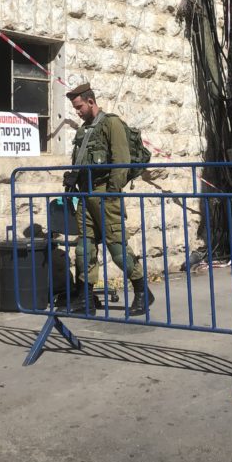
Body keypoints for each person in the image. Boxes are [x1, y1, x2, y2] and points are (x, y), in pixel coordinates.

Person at [63, 82, 154, 316]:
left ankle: (142, 292)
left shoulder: (111, 123)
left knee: (117, 248)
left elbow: (121, 161)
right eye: (75, 108)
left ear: (91, 101)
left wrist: (112, 191)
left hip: (105, 193)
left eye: (79, 106)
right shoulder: (84, 131)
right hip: (85, 194)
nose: (77, 111)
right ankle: (86, 299)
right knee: (85, 248)